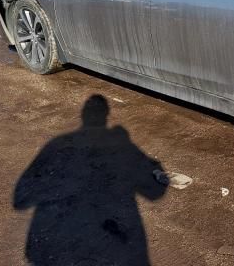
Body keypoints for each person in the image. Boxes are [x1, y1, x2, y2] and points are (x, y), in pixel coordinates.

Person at [13, 95, 166, 265]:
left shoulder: (57, 145)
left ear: (83, 115)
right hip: (114, 247)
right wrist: (156, 168)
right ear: (106, 115)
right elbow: (154, 192)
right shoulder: (122, 146)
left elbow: (20, 200)